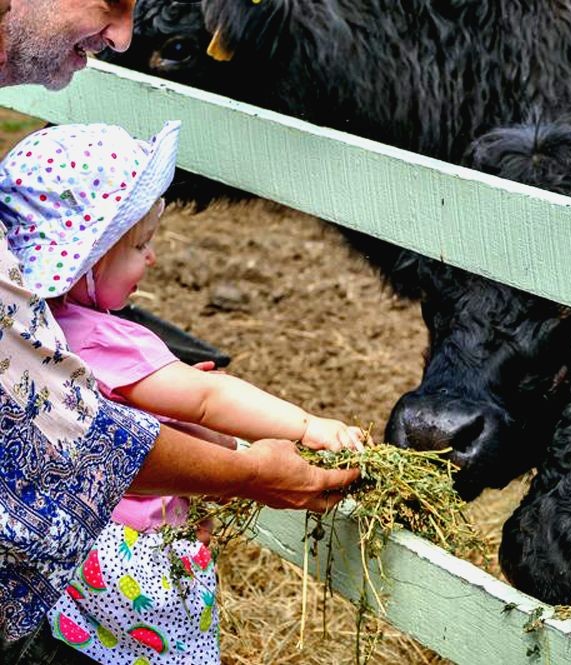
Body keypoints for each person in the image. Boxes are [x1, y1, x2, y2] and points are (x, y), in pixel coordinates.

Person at [0, 1, 360, 661]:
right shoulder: (108, 340)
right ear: (85, 258)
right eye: (139, 246)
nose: (126, 36)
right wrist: (304, 432)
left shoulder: (40, 323)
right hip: (137, 566)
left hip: (64, 564)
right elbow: (205, 402)